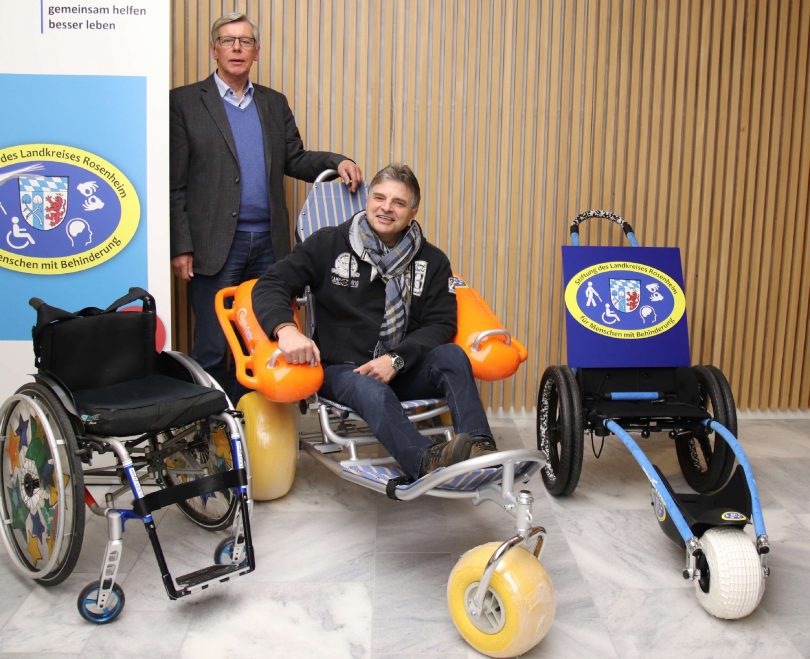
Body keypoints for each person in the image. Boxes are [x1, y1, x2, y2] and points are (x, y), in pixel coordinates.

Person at [252, 164, 497, 480]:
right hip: (343, 370)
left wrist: (396, 360)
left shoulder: (433, 261)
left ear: (413, 212)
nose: (386, 208)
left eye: (398, 202)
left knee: (452, 355)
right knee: (369, 388)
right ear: (367, 199)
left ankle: (478, 449)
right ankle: (426, 461)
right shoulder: (328, 244)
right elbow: (271, 283)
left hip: (402, 368)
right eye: (379, 197)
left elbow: (441, 325)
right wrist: (286, 330)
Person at [170, 12, 362, 401]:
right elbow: (175, 183)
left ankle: (255, 421)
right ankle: (212, 425)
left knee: (264, 339)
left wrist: (335, 162)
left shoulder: (273, 103)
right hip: (213, 245)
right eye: (227, 41)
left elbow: (295, 158)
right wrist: (181, 245)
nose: (237, 48)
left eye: (245, 41)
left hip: (269, 246)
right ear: (214, 50)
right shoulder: (184, 102)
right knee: (213, 342)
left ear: (256, 52)